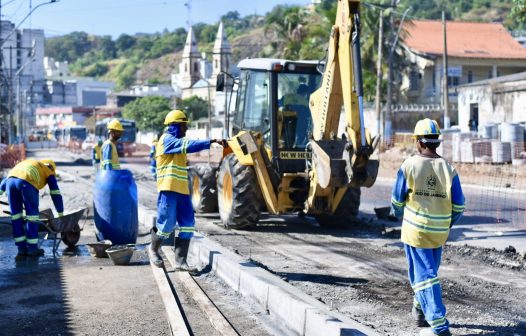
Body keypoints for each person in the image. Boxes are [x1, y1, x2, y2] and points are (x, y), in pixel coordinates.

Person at [391, 118, 465, 336]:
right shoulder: (449, 169)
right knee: (428, 271)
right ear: (436, 143)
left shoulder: (409, 166)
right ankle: (419, 310)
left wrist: (400, 216)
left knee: (424, 276)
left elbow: (396, 200)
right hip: (439, 233)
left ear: (418, 142)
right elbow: (459, 205)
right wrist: (446, 222)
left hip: (416, 231)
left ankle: (438, 323)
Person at [149, 109, 227, 271]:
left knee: (188, 225)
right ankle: (153, 249)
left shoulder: (178, 145)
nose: (186, 129)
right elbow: (187, 145)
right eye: (184, 126)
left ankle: (181, 262)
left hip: (182, 192)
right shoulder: (166, 140)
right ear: (175, 126)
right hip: (168, 190)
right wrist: (211, 141)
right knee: (167, 225)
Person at [0, 159, 64, 258]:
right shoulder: (48, 170)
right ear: (51, 168)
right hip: (27, 182)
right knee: (32, 217)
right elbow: (55, 193)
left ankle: (21, 250)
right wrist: (60, 213)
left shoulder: (30, 163)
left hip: (10, 181)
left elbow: (5, 182)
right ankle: (32, 249)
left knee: (16, 217)